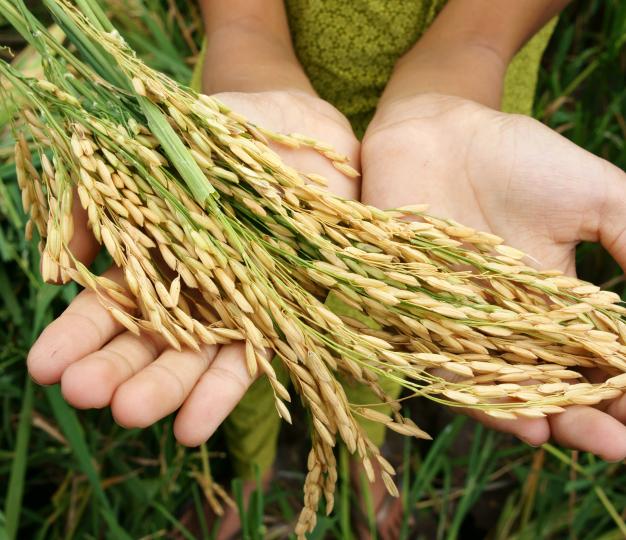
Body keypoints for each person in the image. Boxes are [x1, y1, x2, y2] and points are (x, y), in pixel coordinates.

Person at [27, 1, 626, 538]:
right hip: (257, 134)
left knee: (397, 334)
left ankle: (368, 473)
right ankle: (253, 476)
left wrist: (467, 56)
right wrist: (245, 48)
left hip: (463, 129)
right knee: (247, 335)